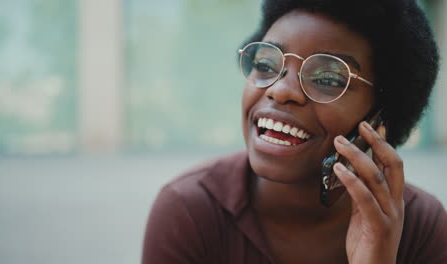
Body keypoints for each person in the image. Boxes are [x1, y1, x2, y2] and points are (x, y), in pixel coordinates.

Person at [142, 0, 447, 263]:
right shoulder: (191, 211)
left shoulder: (422, 226)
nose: (280, 90)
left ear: (381, 115)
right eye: (266, 63)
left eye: (327, 78)